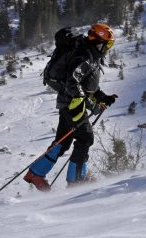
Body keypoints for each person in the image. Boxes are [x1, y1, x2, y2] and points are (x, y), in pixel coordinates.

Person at [24, 23, 118, 191]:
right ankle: (76, 182)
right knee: (85, 138)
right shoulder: (86, 57)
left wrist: (103, 98)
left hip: (68, 103)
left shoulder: (90, 55)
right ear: (101, 42)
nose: (108, 48)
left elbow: (88, 86)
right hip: (73, 105)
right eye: (108, 44)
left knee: (63, 141)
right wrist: (86, 103)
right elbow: (73, 83)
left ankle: (36, 174)